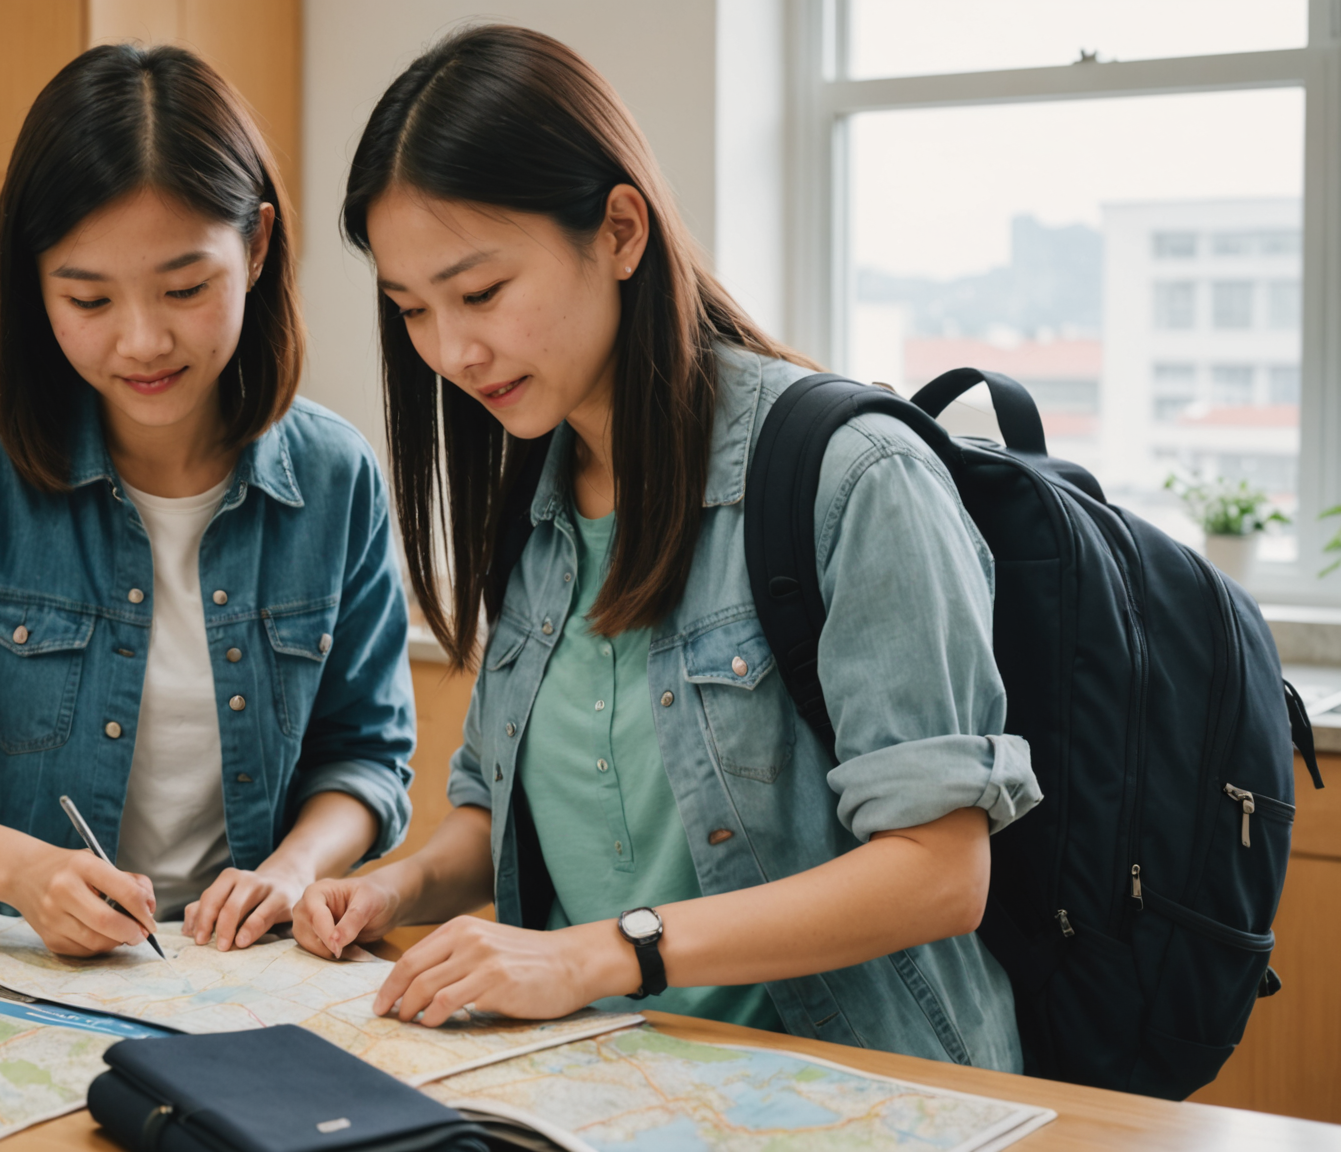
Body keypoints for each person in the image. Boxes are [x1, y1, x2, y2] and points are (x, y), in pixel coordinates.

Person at [292, 25, 1042, 1071]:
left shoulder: (854, 476)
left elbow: (938, 871)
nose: (453, 352)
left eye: (482, 292)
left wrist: (603, 954)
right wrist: (396, 888)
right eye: (413, 310)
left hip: (854, 1097)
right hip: (618, 1092)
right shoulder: (537, 501)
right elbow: (496, 815)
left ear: (621, 231)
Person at [0, 44, 416, 959]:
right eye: (88, 298)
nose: (142, 341)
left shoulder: (335, 477)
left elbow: (367, 758)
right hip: (7, 972)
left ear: (259, 246)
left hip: (241, 975)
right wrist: (21, 874)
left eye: (186, 288)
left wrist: (294, 867)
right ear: (36, 284)